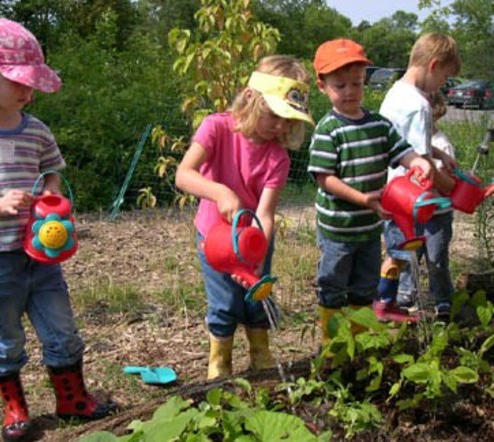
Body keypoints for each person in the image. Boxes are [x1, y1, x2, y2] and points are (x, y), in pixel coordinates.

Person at [0, 18, 117, 441]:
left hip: (42, 254)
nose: (28, 91)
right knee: (4, 333)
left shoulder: (35, 130)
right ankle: (14, 407)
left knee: (61, 326)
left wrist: (52, 198)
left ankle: (72, 396)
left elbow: (51, 171)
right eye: (18, 81)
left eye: (31, 83)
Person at [175, 55, 314, 379]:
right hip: (215, 238)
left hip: (254, 238)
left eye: (288, 121)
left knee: (256, 298)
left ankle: (260, 355)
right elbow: (183, 175)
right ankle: (219, 364)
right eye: (274, 115)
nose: (280, 127)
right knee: (224, 303)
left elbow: (265, 213)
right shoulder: (217, 128)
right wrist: (222, 192)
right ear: (251, 98)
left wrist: (257, 254)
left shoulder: (277, 156)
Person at [307, 38, 433, 344]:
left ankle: (360, 339)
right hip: (339, 227)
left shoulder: (379, 125)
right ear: (323, 86)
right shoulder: (328, 130)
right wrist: (363, 198)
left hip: (369, 226)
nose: (350, 92)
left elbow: (402, 151)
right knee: (333, 283)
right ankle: (333, 341)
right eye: (340, 85)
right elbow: (325, 179)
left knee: (364, 284)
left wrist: (418, 162)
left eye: (356, 83)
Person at [374, 33, 461, 322]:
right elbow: (421, 163)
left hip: (392, 190)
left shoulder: (395, 93)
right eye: (445, 78)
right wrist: (454, 187)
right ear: (434, 65)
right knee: (401, 254)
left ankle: (390, 301)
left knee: (397, 251)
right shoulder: (419, 106)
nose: (442, 86)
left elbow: (403, 141)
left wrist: (439, 150)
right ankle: (387, 304)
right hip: (410, 197)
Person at [395, 90, 456, 320]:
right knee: (411, 255)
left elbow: (446, 182)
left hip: (438, 215)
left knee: (436, 259)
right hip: (416, 212)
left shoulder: (441, 145)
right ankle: (405, 293)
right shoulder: (413, 145)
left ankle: (442, 299)